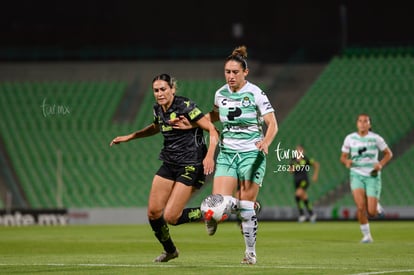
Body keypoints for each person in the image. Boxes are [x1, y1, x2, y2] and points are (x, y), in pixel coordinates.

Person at [172, 45, 278, 264]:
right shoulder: (220, 94)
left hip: (251, 154)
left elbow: (272, 123)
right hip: (227, 154)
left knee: (242, 209)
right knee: (217, 206)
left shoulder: (256, 93)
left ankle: (250, 253)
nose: (230, 76)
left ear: (245, 72)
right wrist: (191, 122)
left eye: (235, 72)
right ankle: (243, 207)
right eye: (227, 72)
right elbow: (215, 116)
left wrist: (266, 141)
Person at [110, 73, 219, 262]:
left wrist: (209, 156)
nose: (159, 93)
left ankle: (209, 212)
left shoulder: (185, 106)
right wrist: (130, 136)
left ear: (172, 89)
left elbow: (212, 129)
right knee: (153, 212)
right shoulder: (158, 110)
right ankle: (170, 251)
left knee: (172, 217)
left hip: (191, 164)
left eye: (163, 89)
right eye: (156, 90)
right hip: (169, 163)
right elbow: (155, 127)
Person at [340, 113, 393, 243]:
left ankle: (376, 206)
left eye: (365, 121)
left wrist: (380, 164)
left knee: (372, 212)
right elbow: (343, 157)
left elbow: (388, 154)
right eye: (360, 121)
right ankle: (367, 236)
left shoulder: (376, 139)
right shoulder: (350, 138)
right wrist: (346, 162)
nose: (362, 123)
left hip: (372, 176)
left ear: (370, 124)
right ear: (357, 123)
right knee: (360, 207)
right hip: (356, 174)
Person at [288, 144, 320, 223]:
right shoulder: (293, 160)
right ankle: (312, 214)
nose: (298, 151)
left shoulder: (306, 159)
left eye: (300, 150)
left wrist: (315, 175)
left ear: (303, 151)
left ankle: (302, 215)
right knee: (303, 197)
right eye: (297, 150)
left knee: (297, 195)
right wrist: (292, 169)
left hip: (304, 181)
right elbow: (290, 170)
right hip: (296, 181)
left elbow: (316, 165)